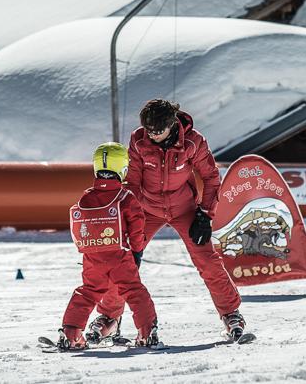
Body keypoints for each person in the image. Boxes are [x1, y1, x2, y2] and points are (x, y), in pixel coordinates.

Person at [89, 99, 247, 341]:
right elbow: (132, 183)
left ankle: (230, 313)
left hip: (184, 208)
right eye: (149, 130)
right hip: (147, 209)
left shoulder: (193, 142)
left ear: (172, 124)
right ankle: (109, 316)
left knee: (207, 259)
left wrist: (205, 214)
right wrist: (129, 220)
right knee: (125, 261)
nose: (152, 135)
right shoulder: (139, 140)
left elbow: (211, 178)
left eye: (158, 131)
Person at [58, 142, 160, 350]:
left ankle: (71, 333)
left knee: (87, 292)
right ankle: (146, 332)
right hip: (119, 256)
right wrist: (137, 251)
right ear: (123, 168)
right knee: (134, 291)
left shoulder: (86, 196)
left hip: (92, 257)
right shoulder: (125, 197)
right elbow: (137, 228)